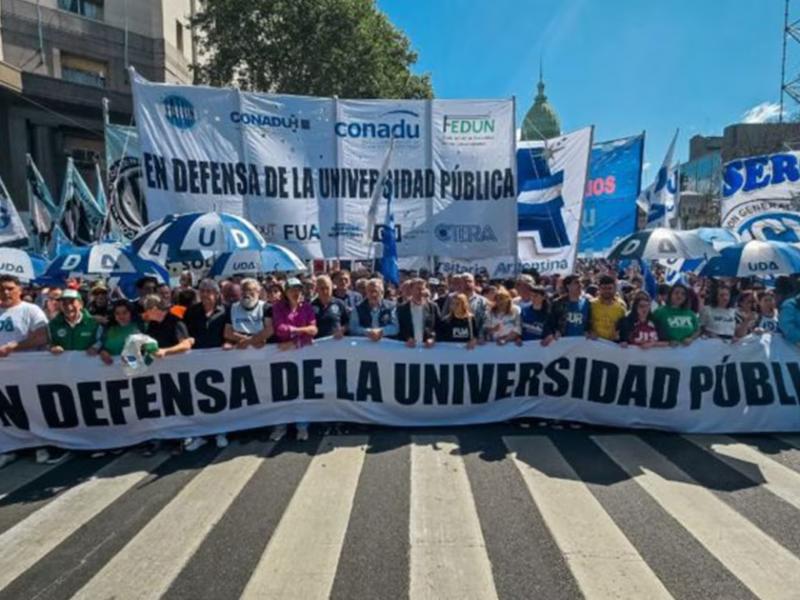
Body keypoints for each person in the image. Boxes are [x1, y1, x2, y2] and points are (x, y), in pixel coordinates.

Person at [0, 275, 49, 469]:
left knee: (32, 408)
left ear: (19, 289)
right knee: (6, 412)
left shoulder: (30, 310)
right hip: (3, 374)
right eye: (2, 288)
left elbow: (42, 336)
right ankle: (9, 448)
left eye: (10, 288)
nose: (6, 292)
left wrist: (15, 347)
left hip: (28, 370)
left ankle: (40, 444)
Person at [183, 279, 229, 451]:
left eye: (209, 291)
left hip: (220, 362)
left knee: (220, 398)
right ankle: (200, 435)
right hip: (196, 362)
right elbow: (185, 335)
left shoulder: (225, 311)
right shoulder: (191, 312)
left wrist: (228, 343)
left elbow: (229, 334)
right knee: (199, 399)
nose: (205, 294)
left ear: (217, 295)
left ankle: (221, 432)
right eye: (202, 291)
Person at [270, 277, 318, 441]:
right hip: (283, 356)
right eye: (292, 290)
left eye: (298, 289)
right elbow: (280, 330)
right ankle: (280, 426)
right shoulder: (278, 308)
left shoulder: (307, 307)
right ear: (286, 292)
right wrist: (301, 332)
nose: (296, 293)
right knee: (282, 391)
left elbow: (313, 330)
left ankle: (302, 426)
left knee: (302, 390)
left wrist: (294, 338)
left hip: (301, 354)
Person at [224, 278, 272, 348]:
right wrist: (250, 341)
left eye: (250, 290)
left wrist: (251, 341)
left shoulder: (266, 308)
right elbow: (227, 332)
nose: (247, 293)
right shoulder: (232, 308)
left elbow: (269, 330)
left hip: (262, 351)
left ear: (258, 292)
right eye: (244, 290)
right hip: (239, 350)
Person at [48, 289, 100, 354]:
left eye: (72, 302)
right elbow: (48, 343)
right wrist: (53, 347)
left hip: (87, 363)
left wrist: (95, 347)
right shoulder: (53, 324)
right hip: (62, 363)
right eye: (64, 303)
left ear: (81, 304)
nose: (68, 306)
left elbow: (101, 341)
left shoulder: (94, 323)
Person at [90, 300, 141, 364]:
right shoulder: (108, 329)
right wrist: (103, 352)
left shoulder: (139, 327)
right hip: (110, 370)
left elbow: (146, 348)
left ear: (131, 313)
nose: (121, 316)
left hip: (134, 371)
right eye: (117, 313)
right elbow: (102, 346)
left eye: (125, 313)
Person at [545, 275, 591, 345]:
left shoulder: (587, 303)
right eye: (576, 282)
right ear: (568, 286)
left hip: (582, 344)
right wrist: (553, 333)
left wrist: (589, 331)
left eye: (581, 282)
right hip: (562, 343)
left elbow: (590, 323)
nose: (580, 285)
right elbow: (549, 323)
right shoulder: (558, 303)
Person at [396, 278, 439, 348]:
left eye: (423, 289)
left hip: (428, 349)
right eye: (418, 289)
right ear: (411, 290)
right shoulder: (402, 308)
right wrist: (407, 338)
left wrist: (433, 338)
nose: (421, 292)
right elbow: (400, 328)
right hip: (408, 349)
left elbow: (439, 327)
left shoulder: (433, 307)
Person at [589, 275, 626, 342]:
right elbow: (586, 323)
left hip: (612, 345)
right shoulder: (591, 304)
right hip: (594, 344)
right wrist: (590, 331)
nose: (607, 291)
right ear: (599, 289)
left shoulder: (621, 306)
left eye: (609, 288)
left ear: (614, 289)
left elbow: (624, 326)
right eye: (604, 288)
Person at [311, 275, 349, 339]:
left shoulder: (339, 304)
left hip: (336, 343)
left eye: (327, 288)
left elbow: (347, 322)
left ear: (332, 288)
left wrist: (343, 329)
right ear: (317, 289)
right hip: (318, 344)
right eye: (322, 288)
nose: (325, 291)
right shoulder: (311, 306)